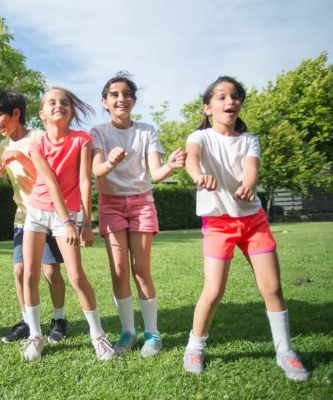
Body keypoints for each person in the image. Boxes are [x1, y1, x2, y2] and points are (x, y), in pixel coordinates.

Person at [183, 76, 310, 381]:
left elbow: (251, 168)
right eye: (222, 97)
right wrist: (199, 176)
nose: (230, 101)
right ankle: (195, 346)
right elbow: (192, 160)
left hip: (253, 223)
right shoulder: (199, 137)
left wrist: (248, 185)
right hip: (218, 225)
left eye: (235, 96)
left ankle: (285, 351)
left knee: (273, 288)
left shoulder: (249, 139)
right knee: (213, 291)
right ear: (208, 107)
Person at [90, 72, 185, 357]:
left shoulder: (147, 130)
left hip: (142, 204)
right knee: (119, 271)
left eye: (127, 94)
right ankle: (128, 332)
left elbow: (155, 173)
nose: (122, 99)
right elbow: (96, 172)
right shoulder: (98, 133)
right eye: (115, 94)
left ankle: (153, 334)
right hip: (111, 204)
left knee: (141, 270)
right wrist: (110, 161)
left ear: (134, 100)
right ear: (105, 101)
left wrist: (170, 165)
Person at [21, 87, 115, 361]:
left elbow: (86, 180)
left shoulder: (82, 140)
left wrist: (85, 221)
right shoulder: (36, 144)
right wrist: (67, 220)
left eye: (64, 102)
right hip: (38, 212)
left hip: (69, 215)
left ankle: (98, 335)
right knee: (30, 274)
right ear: (42, 113)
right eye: (51, 102)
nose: (58, 105)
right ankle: (35, 335)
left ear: (71, 111)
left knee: (76, 276)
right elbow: (49, 182)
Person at [0, 89, 68, 343]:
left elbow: (50, 178)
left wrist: (21, 157)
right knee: (20, 272)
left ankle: (59, 319)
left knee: (50, 271)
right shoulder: (2, 146)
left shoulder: (39, 138)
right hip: (23, 217)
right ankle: (27, 320)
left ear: (16, 113)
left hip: (48, 215)